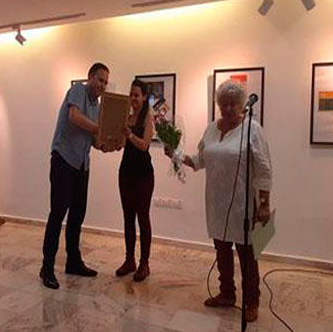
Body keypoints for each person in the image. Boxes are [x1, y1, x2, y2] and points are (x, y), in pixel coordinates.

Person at [165, 81, 272, 322]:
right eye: (223, 104)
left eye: (233, 104)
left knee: (247, 254)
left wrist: (264, 203)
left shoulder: (252, 129)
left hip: (245, 202)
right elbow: (200, 160)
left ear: (243, 104)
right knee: (222, 249)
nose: (228, 108)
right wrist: (176, 155)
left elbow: (264, 168)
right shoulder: (211, 129)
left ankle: (251, 300)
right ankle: (226, 293)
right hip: (216, 200)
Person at [40, 62, 120, 289]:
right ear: (90, 78)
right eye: (100, 79)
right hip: (64, 160)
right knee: (57, 214)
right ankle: (46, 268)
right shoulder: (77, 91)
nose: (103, 85)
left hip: (82, 165)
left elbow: (94, 139)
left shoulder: (97, 105)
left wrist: (108, 144)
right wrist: (101, 129)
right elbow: (75, 117)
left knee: (77, 215)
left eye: (105, 81)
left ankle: (73, 262)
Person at [115, 79, 156, 282]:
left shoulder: (148, 117)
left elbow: (144, 145)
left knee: (143, 218)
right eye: (131, 95)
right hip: (126, 172)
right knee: (128, 218)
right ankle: (129, 260)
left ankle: (144, 263)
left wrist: (129, 135)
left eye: (137, 95)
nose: (133, 99)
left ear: (144, 97)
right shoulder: (126, 117)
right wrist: (113, 139)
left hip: (143, 175)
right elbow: (123, 144)